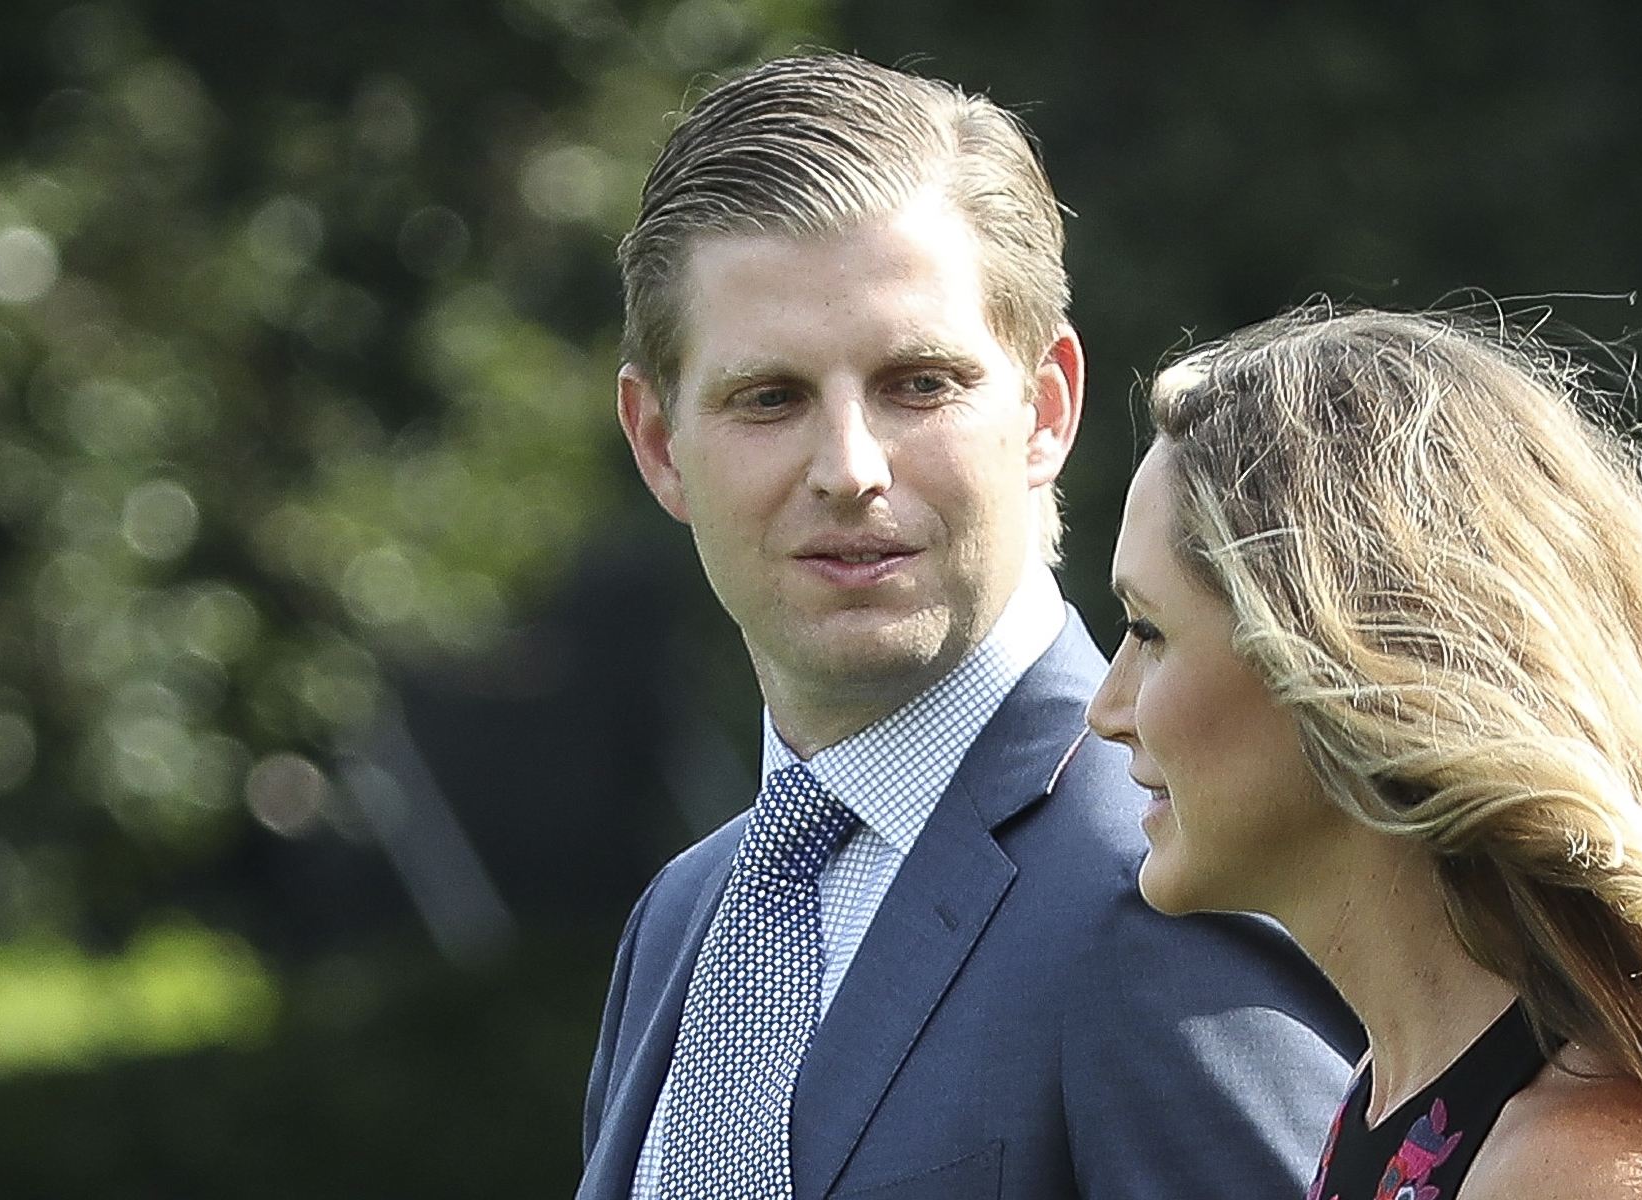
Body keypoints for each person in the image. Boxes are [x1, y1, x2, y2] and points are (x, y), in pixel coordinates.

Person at [580, 55, 1358, 1200]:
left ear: (1045, 410)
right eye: (770, 398)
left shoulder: (1172, 886)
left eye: (919, 384)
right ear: (657, 444)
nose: (849, 469)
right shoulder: (680, 925)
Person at [1086, 306, 1642, 1200]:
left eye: (1148, 630)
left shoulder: (1571, 1166)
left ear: (1339, 664)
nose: (1107, 708)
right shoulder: (1403, 1092)